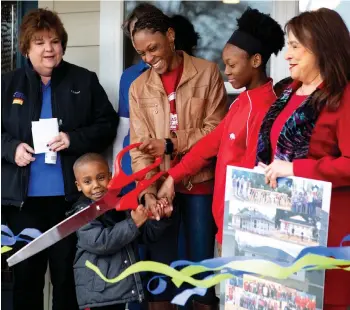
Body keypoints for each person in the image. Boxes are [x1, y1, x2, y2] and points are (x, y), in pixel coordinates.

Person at [1, 9, 118, 310]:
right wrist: (11, 148)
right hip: (22, 204)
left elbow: (107, 124)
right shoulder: (6, 85)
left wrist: (72, 139)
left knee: (67, 279)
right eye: (39, 42)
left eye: (54, 41)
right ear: (26, 48)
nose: (48, 49)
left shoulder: (84, 80)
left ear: (63, 45)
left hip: (70, 202)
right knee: (26, 280)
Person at [157, 8, 285, 253]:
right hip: (226, 224)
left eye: (231, 64)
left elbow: (254, 175)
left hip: (245, 228)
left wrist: (234, 225)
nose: (226, 71)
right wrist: (174, 176)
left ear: (256, 61)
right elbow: (208, 145)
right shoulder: (240, 103)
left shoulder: (267, 107)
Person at [129, 9, 227, 310]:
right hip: (158, 187)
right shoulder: (138, 88)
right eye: (140, 52)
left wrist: (170, 143)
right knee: (160, 273)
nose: (148, 57)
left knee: (201, 272)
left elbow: (215, 132)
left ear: (170, 36)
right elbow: (138, 149)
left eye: (153, 48)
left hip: (200, 182)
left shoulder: (207, 72)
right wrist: (146, 193)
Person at [255, 8, 350, 310]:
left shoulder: (343, 96)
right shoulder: (287, 92)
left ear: (322, 47)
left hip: (328, 229)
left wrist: (296, 169)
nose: (287, 54)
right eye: (288, 45)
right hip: (281, 225)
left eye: (296, 46)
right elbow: (273, 150)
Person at [71, 153, 172, 310]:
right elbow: (101, 243)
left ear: (111, 177)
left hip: (121, 289)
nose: (96, 185)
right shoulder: (81, 213)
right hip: (99, 295)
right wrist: (133, 223)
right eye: (87, 181)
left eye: (101, 177)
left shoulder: (122, 204)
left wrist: (160, 217)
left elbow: (146, 235)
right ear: (78, 185)